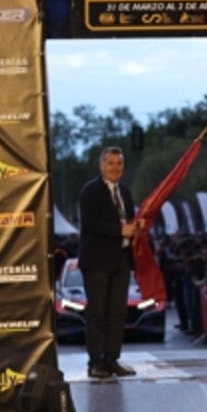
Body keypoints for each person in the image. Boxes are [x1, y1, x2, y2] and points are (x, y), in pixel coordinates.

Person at [78, 146, 139, 379]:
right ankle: (95, 362)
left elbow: (129, 222)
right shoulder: (90, 191)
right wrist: (120, 230)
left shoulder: (125, 193)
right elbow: (89, 223)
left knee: (117, 314)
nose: (115, 168)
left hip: (121, 261)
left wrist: (136, 227)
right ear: (101, 165)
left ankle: (112, 359)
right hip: (97, 262)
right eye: (111, 163)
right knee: (97, 314)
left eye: (119, 163)